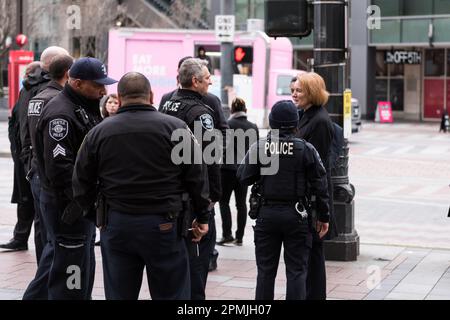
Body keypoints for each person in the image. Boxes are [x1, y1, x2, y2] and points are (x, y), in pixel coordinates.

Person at [72, 72, 209, 300]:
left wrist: (94, 215)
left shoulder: (98, 132)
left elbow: (81, 180)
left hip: (117, 223)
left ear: (120, 97)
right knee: (172, 293)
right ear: (151, 95)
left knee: (119, 293)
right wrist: (202, 216)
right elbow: (197, 176)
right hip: (164, 224)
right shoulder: (176, 128)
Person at [28, 57, 117, 300]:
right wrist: (84, 203)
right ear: (76, 83)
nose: (103, 90)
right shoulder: (62, 115)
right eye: (97, 85)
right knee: (71, 270)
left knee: (79, 262)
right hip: (68, 205)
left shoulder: (83, 106)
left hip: (79, 204)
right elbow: (61, 171)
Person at [237, 100, 330, 300]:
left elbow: (243, 176)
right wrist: (324, 216)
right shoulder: (306, 149)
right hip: (297, 216)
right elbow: (321, 185)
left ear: (272, 122)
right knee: (297, 271)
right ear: (295, 123)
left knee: (265, 272)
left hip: (266, 215)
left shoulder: (261, 147)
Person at [159, 55, 228, 272]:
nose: (211, 82)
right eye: (207, 78)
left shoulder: (167, 102)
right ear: (195, 81)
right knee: (196, 263)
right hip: (194, 195)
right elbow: (210, 157)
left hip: (168, 192)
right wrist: (212, 197)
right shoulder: (201, 112)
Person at [1, 47, 69, 257]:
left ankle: (38, 260)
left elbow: (17, 124)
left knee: (38, 215)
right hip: (42, 165)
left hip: (30, 160)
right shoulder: (51, 92)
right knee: (50, 226)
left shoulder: (29, 88)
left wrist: (24, 156)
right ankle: (46, 273)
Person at [22, 54, 74, 300]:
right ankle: (36, 295)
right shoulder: (56, 100)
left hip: (38, 174)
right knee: (56, 245)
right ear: (67, 74)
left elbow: (25, 134)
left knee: (50, 242)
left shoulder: (39, 96)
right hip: (49, 180)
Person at [291, 72, 335, 300]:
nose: (294, 94)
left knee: (315, 254)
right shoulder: (307, 115)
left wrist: (321, 209)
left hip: (313, 199)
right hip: (307, 197)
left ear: (312, 92)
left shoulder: (319, 120)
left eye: (299, 90)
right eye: (293, 90)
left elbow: (317, 169)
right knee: (310, 253)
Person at [217, 97, 258, 246]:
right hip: (244, 171)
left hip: (227, 170)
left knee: (223, 202)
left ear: (232, 110)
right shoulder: (252, 127)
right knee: (241, 204)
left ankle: (226, 234)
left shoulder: (227, 124)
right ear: (245, 110)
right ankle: (239, 237)